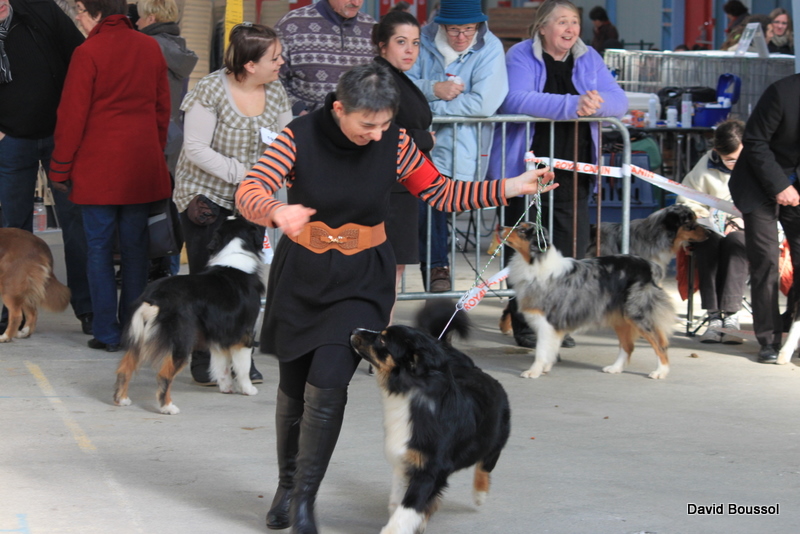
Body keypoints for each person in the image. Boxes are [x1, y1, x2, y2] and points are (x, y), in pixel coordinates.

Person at [235, 62, 556, 533]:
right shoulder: (297, 135)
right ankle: (286, 485)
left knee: (328, 384)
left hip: (364, 277)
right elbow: (251, 188)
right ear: (339, 108)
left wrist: (511, 186)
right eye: (368, 124)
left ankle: (305, 500)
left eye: (385, 124)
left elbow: (442, 192)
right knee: (293, 387)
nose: (377, 133)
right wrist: (276, 208)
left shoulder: (397, 142)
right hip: (302, 274)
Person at [487, 0, 627, 348]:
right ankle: (522, 319)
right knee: (525, 247)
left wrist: (594, 105)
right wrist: (572, 106)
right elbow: (514, 99)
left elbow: (618, 101)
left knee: (566, 250)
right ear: (542, 27)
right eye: (562, 22)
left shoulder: (590, 57)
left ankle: (556, 322)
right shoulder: (520, 55)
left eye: (574, 22)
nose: (570, 29)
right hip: (526, 168)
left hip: (573, 166)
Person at [49, 0, 172, 352]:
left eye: (81, 12)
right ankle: (132, 332)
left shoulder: (88, 51)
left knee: (99, 250)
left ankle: (105, 331)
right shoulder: (149, 47)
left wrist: (60, 166)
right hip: (140, 168)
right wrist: (153, 148)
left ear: (95, 12)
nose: (78, 19)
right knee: (135, 252)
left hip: (97, 171)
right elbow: (162, 108)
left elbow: (72, 116)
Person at [173, 23, 291, 385]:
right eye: (275, 57)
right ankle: (202, 359)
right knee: (207, 285)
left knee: (247, 287)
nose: (282, 62)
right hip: (206, 196)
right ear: (250, 64)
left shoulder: (276, 91)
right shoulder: (210, 90)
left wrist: (282, 175)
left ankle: (242, 356)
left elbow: (289, 140)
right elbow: (194, 148)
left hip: (252, 199)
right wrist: (244, 173)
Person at [0, 0, 92, 336]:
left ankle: (88, 307)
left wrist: (77, 118)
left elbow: (81, 57)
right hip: (11, 140)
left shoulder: (41, 10)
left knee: (75, 223)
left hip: (60, 135)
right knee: (12, 229)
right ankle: (14, 311)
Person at [406, 0, 508, 292]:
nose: (462, 37)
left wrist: (426, 109)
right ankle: (438, 274)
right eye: (454, 30)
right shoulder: (420, 39)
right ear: (440, 24)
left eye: (469, 29)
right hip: (420, 149)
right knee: (430, 210)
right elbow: (403, 85)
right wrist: (434, 89)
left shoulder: (490, 47)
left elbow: (484, 103)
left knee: (439, 211)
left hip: (464, 151)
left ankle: (439, 276)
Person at [729, 73, 800, 364]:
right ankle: (768, 340)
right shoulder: (782, 92)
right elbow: (755, 141)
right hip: (759, 183)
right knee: (766, 261)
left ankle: (793, 331)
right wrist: (780, 185)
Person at [372, 10, 432, 312]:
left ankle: (381, 339)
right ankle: (378, 340)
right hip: (388, 189)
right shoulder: (381, 78)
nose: (410, 50)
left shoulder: (395, 77)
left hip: (400, 187)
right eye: (401, 42)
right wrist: (425, 140)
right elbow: (380, 131)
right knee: (384, 271)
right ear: (383, 45)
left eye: (416, 43)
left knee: (390, 271)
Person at [676, 119, 747, 344]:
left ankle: (732, 313)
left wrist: (739, 220)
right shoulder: (705, 164)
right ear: (716, 151)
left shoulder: (757, 162)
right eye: (728, 160)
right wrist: (705, 217)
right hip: (713, 225)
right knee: (707, 243)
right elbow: (685, 198)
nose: (733, 164)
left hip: (746, 226)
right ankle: (714, 315)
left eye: (738, 158)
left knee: (736, 243)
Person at [275, 0, 375, 115]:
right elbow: (272, 80)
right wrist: (298, 110)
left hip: (358, 127)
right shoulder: (292, 24)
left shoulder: (371, 27)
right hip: (305, 126)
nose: (356, 3)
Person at [135, 0, 198, 175]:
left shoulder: (146, 48)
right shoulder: (181, 47)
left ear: (151, 19)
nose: (137, 22)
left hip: (150, 134)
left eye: (140, 17)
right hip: (175, 132)